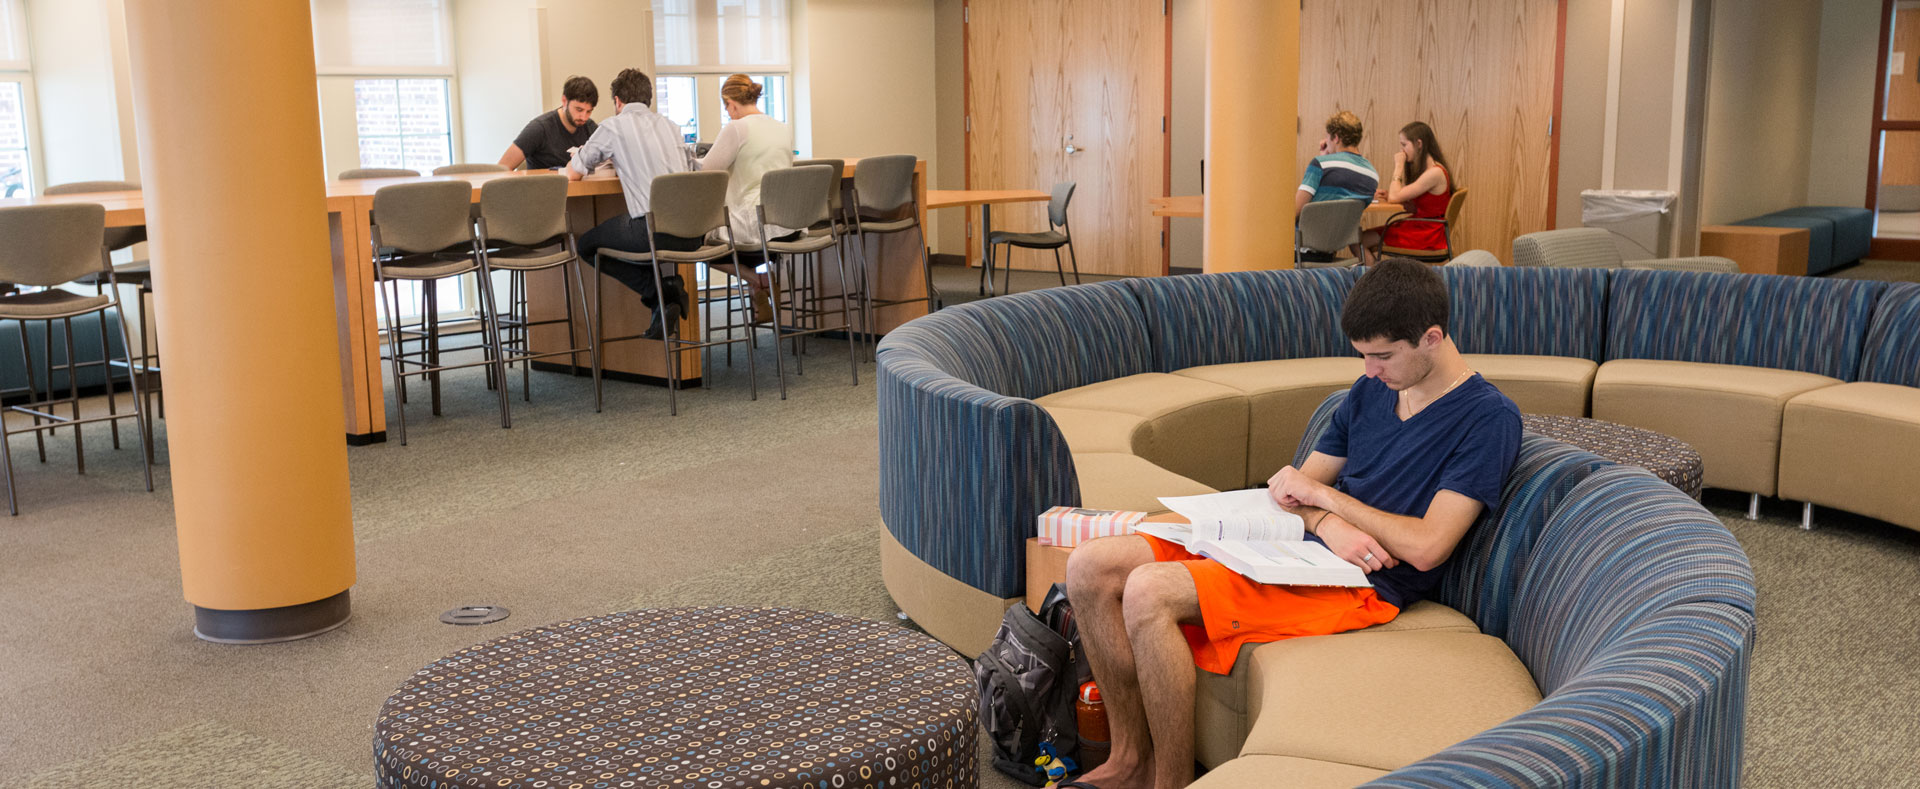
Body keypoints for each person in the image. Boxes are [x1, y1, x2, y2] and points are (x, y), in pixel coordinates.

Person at [1062, 258, 1521, 789]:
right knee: (1091, 565)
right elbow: (1294, 492)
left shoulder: (1488, 418)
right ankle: (1128, 760)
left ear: (1432, 338)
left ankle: (1168, 781)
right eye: (1364, 357)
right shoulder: (1374, 389)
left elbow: (1427, 546)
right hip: (1305, 548)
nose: (1371, 371)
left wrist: (1326, 504)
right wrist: (1326, 521)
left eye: (1382, 356)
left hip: (1365, 583)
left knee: (1147, 591)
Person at [567, 68, 698, 339]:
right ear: (648, 99)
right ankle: (665, 296)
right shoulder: (671, 126)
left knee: (587, 245)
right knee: (633, 226)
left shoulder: (613, 126)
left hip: (651, 231)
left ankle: (659, 293)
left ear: (617, 101)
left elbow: (574, 171)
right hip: (692, 232)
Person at [694, 74, 795, 323]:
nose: (728, 113)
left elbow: (708, 172)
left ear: (732, 103)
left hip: (751, 231)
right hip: (785, 227)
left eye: (727, 107)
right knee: (729, 237)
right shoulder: (782, 128)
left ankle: (755, 279)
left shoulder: (737, 128)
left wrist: (690, 161)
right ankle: (759, 282)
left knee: (691, 242)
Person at [1295, 110, 1378, 265]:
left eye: (1327, 137)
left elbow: (1295, 211)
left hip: (1299, 250)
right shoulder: (1372, 174)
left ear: (1336, 137)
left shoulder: (1320, 164)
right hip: (1329, 251)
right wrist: (1326, 156)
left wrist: (1323, 158)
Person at [1363, 121, 1456, 259]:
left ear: (1419, 144)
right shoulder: (1432, 170)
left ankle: (1372, 279)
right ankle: (1376, 277)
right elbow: (1420, 206)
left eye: (1404, 145)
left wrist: (1398, 166)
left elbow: (1395, 197)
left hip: (1426, 236)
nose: (1401, 151)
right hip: (1423, 229)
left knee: (1360, 240)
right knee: (1361, 238)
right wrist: (1395, 197)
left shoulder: (1434, 173)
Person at [500, 76, 599, 170]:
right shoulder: (539, 128)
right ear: (564, 101)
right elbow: (503, 168)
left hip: (578, 187)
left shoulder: (590, 128)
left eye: (589, 111)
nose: (584, 117)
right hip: (542, 186)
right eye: (579, 109)